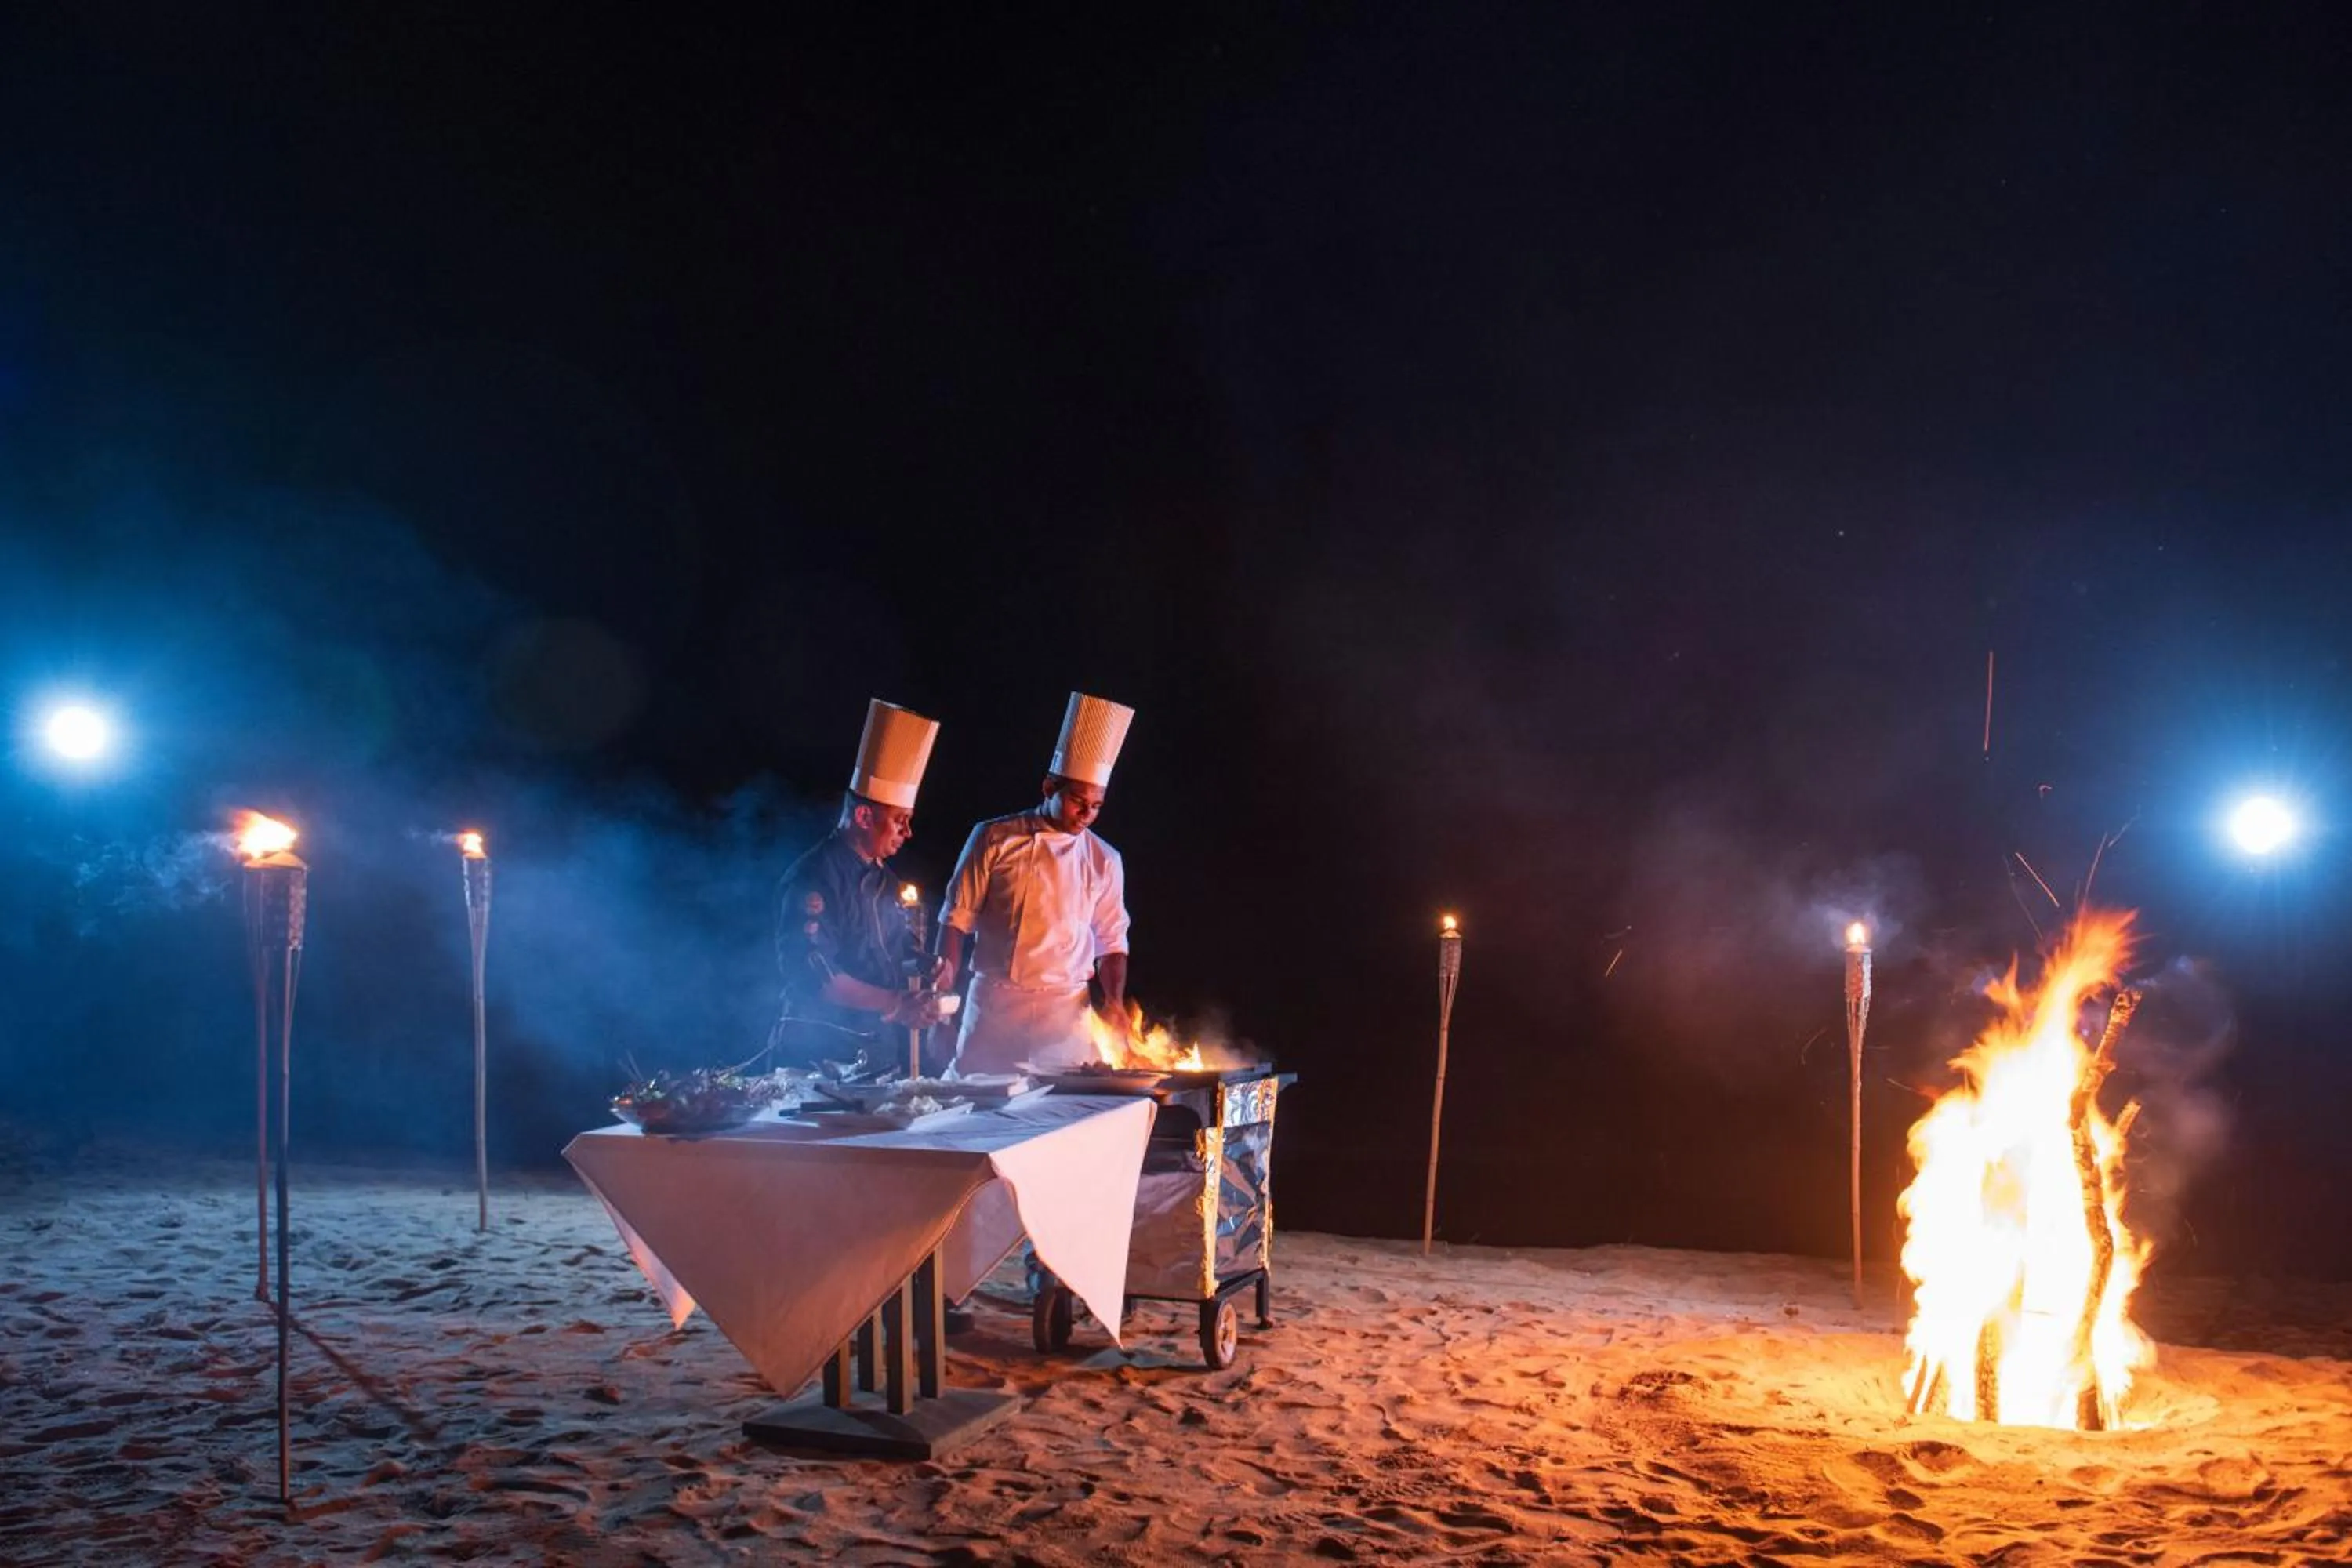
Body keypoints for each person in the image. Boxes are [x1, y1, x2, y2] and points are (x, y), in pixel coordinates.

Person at [936, 691, 1134, 1076]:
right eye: (1078, 801)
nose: (1087, 814)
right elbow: (955, 921)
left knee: (1067, 1109)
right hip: (993, 1010)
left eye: (1096, 806)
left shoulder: (1105, 860)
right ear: (1048, 788)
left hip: (1066, 1018)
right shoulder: (993, 837)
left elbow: (1112, 941)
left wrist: (1114, 1002)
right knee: (976, 1103)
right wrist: (941, 1002)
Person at [768, 699, 949, 1069]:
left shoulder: (886, 881)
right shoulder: (814, 877)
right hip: (818, 1053)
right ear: (864, 816)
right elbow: (817, 977)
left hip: (875, 1051)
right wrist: (896, 1002)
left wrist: (926, 964)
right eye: (900, 820)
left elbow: (897, 949)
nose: (908, 833)